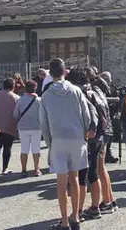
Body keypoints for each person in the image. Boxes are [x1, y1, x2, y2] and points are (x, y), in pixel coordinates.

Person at [40, 59, 93, 230]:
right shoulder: (76, 91)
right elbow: (86, 115)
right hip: (77, 137)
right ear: (64, 72)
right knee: (75, 178)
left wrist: (50, 143)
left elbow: (44, 123)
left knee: (61, 182)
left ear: (50, 73)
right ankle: (76, 217)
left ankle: (64, 220)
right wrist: (84, 133)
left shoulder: (46, 95)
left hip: (58, 139)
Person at [67, 68, 108, 221]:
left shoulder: (80, 94)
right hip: (99, 137)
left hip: (88, 138)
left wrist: (89, 131)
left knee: (83, 176)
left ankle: (78, 211)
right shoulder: (95, 90)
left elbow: (91, 115)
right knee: (94, 173)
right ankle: (95, 207)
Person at [14, 80, 42, 177]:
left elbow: (15, 114)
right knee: (36, 148)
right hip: (36, 127)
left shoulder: (20, 100)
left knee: (24, 148)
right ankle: (36, 169)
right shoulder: (39, 100)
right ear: (35, 88)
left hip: (23, 127)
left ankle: (24, 170)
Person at [0, 78, 19, 175]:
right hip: (10, 124)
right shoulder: (16, 98)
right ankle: (5, 168)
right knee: (7, 147)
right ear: (13, 86)